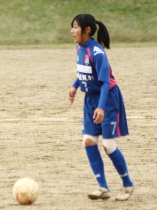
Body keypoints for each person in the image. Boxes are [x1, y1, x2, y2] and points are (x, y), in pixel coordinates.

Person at [68, 14, 134, 201]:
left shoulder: (97, 52)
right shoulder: (79, 48)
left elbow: (105, 82)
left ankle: (127, 184)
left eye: (75, 27)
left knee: (108, 145)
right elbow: (85, 72)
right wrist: (75, 85)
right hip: (90, 99)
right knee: (88, 141)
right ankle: (103, 187)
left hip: (108, 99)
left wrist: (102, 107)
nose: (72, 31)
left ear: (87, 30)